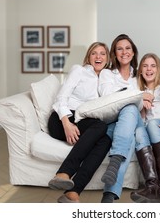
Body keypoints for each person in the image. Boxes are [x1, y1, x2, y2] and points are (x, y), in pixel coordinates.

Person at [47, 42, 112, 203]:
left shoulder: (107, 78)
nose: (98, 57)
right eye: (94, 53)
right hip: (62, 118)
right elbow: (61, 98)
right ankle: (63, 173)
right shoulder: (79, 71)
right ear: (88, 57)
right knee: (101, 126)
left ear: (107, 58)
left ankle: (74, 192)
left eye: (102, 53)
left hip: (83, 121)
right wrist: (66, 124)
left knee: (106, 139)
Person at [98, 33, 150, 203]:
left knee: (131, 113)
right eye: (119, 49)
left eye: (128, 48)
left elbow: (145, 104)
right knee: (130, 111)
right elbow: (107, 96)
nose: (124, 52)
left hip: (134, 121)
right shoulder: (107, 73)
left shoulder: (139, 76)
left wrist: (138, 99)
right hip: (114, 121)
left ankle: (109, 194)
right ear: (114, 53)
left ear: (133, 52)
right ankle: (110, 194)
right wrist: (138, 96)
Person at [130, 53, 160, 203]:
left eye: (153, 66)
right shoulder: (137, 90)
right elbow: (139, 120)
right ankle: (152, 186)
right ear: (140, 70)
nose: (149, 69)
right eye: (145, 66)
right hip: (145, 130)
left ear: (158, 69)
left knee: (152, 124)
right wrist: (142, 106)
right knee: (138, 130)